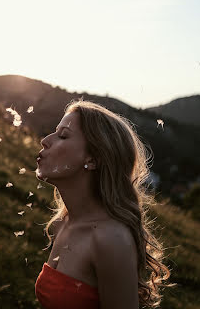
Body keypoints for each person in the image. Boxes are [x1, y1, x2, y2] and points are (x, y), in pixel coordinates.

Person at [34, 100, 170, 309]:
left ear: (94, 158)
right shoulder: (63, 223)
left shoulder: (110, 239)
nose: (45, 141)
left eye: (63, 136)